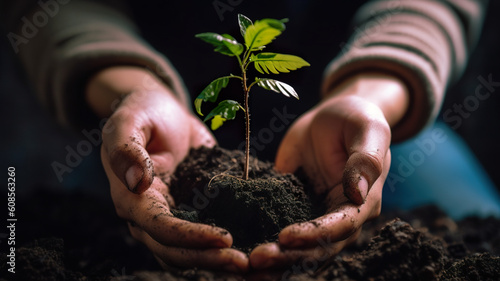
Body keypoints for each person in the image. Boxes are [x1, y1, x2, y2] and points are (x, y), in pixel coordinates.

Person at [2, 0, 499, 273]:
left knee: (478, 236)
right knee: (45, 233)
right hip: (151, 130)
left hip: (362, 123)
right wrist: (131, 88)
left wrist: (371, 93)